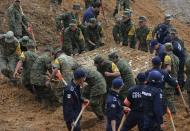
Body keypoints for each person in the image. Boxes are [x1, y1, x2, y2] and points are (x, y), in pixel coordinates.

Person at [163, 43, 179, 114]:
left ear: (166, 48)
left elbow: (168, 69)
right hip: (175, 78)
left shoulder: (167, 57)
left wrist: (162, 72)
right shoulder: (176, 57)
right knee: (170, 95)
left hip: (169, 79)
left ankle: (172, 111)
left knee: (168, 96)